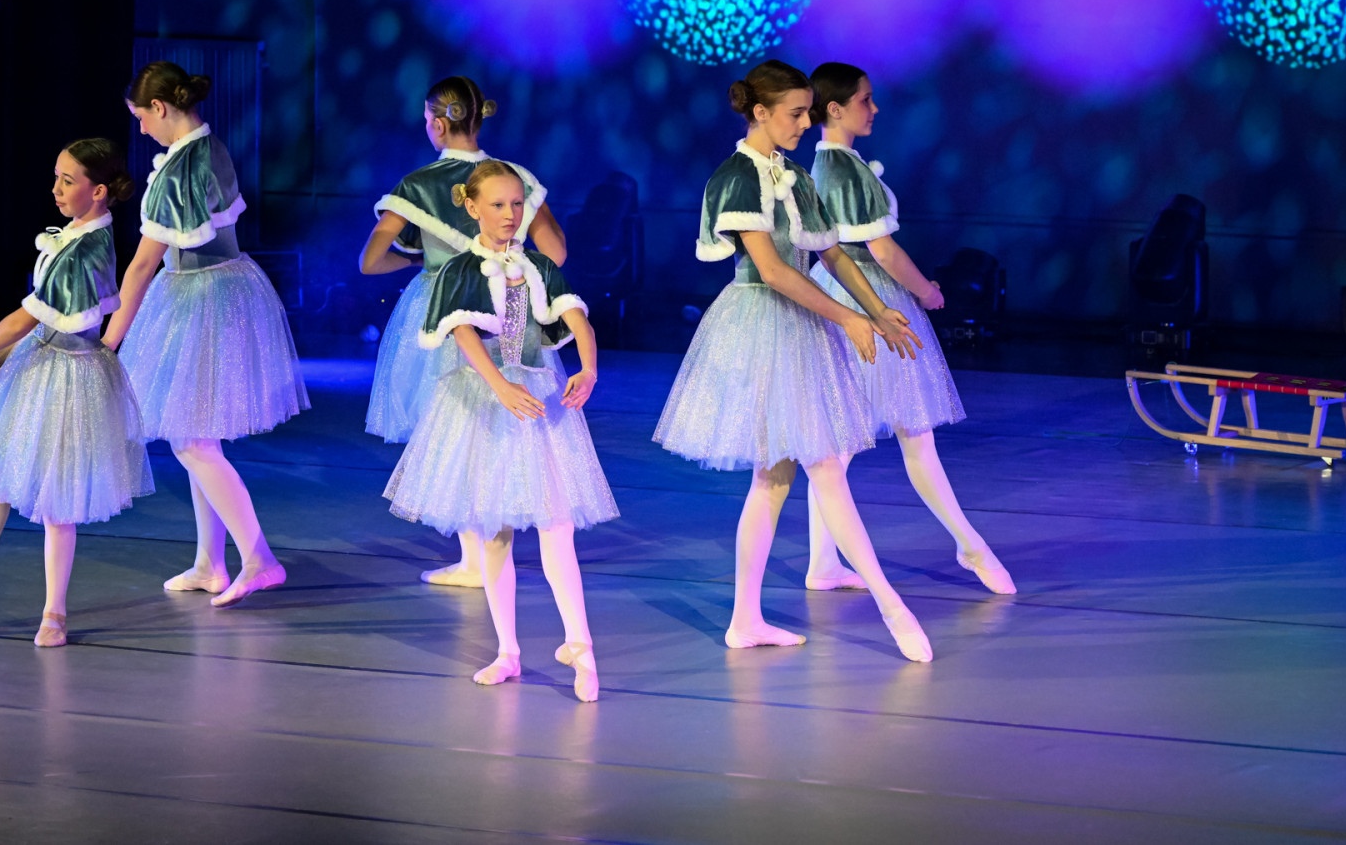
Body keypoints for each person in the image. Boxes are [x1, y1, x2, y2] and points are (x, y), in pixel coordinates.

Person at [653, 60, 934, 662]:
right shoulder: (737, 176)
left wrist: (878, 311)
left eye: (807, 113)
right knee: (817, 468)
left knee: (777, 479)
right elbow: (774, 271)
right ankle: (891, 606)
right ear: (760, 113)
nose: (806, 124)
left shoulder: (794, 175)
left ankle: (745, 620)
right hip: (761, 322)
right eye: (796, 113)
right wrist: (849, 319)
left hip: (797, 325)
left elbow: (833, 255)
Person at [383, 160, 616, 701]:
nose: (510, 214)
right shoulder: (459, 270)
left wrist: (588, 366)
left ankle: (580, 644)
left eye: (516, 204)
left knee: (557, 523)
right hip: (482, 400)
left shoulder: (538, 266)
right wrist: (500, 387)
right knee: (495, 531)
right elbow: (463, 334)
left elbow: (575, 316)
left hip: (535, 393)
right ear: (471, 207)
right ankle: (507, 651)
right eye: (497, 205)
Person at [0, 139, 153, 647]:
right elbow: (41, 321)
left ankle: (55, 613)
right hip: (41, 363)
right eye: (56, 177)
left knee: (57, 498)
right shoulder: (70, 235)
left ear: (98, 191)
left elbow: (26, 317)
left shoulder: (89, 248)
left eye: (67, 181)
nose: (55, 189)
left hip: (70, 377)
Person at [804, 61, 1014, 594]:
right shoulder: (843, 170)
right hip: (868, 298)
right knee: (910, 434)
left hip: (842, 294)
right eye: (865, 100)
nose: (874, 109)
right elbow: (882, 250)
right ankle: (969, 544)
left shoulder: (827, 164)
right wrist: (926, 291)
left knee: (837, 443)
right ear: (836, 109)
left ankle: (824, 562)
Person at [105, 61, 309, 607]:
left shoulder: (178, 171)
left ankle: (259, 559)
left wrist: (109, 340)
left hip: (199, 298)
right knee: (197, 433)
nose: (141, 128)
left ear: (160, 108)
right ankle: (209, 563)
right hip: (222, 289)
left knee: (191, 441)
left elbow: (142, 266)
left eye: (141, 117)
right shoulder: (210, 148)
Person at [360, 76, 566, 587]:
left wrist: (422, 263)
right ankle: (491, 549)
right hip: (507, 305)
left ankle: (476, 559)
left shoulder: (417, 184)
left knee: (455, 425)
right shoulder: (514, 178)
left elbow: (370, 261)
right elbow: (556, 253)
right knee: (500, 423)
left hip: (445, 308)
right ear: (479, 117)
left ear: (436, 123)